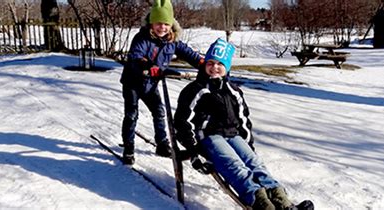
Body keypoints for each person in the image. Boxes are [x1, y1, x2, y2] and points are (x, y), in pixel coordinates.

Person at [174, 38, 313, 210]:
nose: (214, 67)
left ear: (227, 67)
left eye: (220, 64)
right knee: (235, 165)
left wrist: (248, 144)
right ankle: (260, 202)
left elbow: (243, 119)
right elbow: (181, 122)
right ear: (204, 64)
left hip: (233, 135)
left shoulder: (234, 91)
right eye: (210, 62)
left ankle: (282, 201)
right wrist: (195, 152)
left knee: (255, 163)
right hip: (209, 138)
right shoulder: (196, 90)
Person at [119, 0, 203, 165]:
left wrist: (203, 63)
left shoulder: (172, 41)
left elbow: (188, 53)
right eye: (158, 23)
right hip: (133, 83)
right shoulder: (142, 38)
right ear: (151, 23)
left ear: (171, 25)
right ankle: (128, 148)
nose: (162, 28)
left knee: (159, 112)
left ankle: (162, 144)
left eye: (166, 24)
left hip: (150, 84)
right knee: (131, 115)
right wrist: (149, 66)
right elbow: (136, 56)